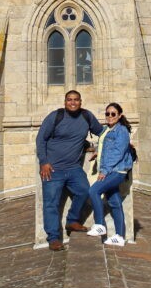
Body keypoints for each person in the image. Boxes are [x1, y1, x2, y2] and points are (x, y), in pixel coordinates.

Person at [36, 90, 104, 251]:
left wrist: (117, 141)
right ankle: (53, 238)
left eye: (76, 100)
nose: (72, 102)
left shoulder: (87, 116)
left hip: (74, 168)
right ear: (65, 102)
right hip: (53, 169)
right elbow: (40, 139)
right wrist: (44, 162)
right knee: (51, 204)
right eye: (69, 100)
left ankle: (72, 220)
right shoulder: (55, 116)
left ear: (81, 101)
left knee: (85, 191)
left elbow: (103, 133)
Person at [86, 102, 134, 247]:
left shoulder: (122, 131)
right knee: (114, 202)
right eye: (107, 114)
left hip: (116, 171)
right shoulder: (107, 129)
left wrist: (104, 171)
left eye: (113, 114)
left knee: (93, 190)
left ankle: (100, 224)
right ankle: (119, 236)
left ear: (119, 116)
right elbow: (105, 146)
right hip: (111, 169)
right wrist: (97, 152)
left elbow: (117, 153)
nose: (110, 116)